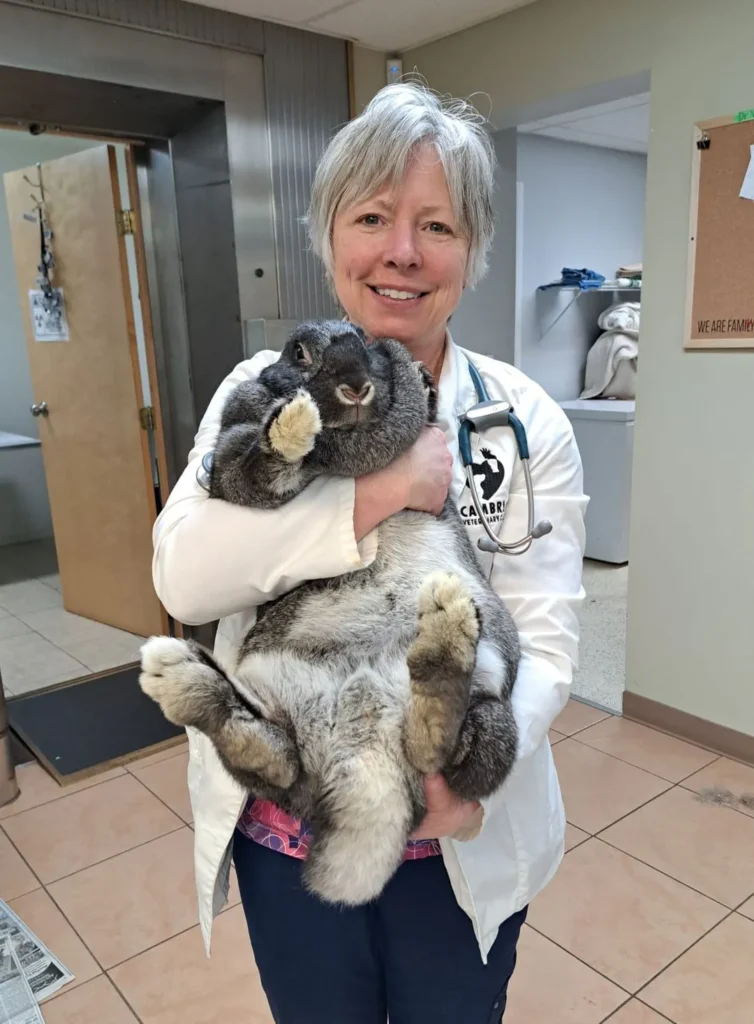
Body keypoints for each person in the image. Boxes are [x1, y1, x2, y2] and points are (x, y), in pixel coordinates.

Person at [152, 81, 587, 1023]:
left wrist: (468, 780)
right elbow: (183, 576)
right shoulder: (260, 391)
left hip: (456, 832)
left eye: (437, 225)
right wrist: (383, 494)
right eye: (374, 217)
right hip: (294, 832)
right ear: (329, 237)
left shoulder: (527, 420)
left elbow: (547, 642)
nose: (402, 251)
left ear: (471, 249)